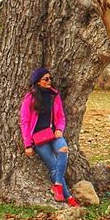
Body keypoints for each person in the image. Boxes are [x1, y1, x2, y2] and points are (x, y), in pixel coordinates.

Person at [19, 67, 80, 207]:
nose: (49, 81)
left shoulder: (54, 95)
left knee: (63, 149)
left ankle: (57, 184)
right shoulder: (30, 98)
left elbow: (61, 117)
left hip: (54, 134)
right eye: (46, 79)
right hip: (39, 138)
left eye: (50, 78)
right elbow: (25, 122)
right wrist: (27, 144)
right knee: (53, 166)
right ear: (38, 82)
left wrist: (59, 129)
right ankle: (69, 198)